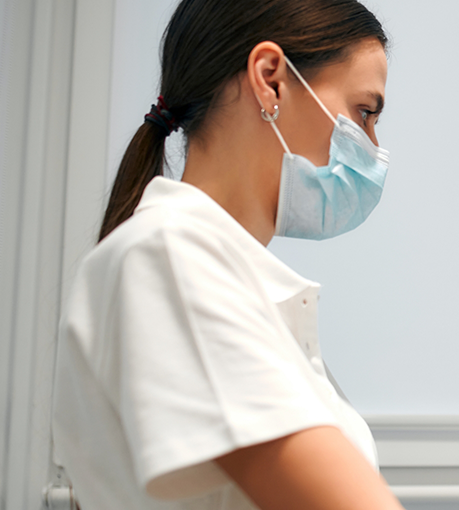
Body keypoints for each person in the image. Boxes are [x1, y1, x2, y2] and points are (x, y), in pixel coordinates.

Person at [50, 1, 400, 509]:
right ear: (271, 79)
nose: (372, 147)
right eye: (364, 112)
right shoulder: (167, 258)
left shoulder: (220, 274)